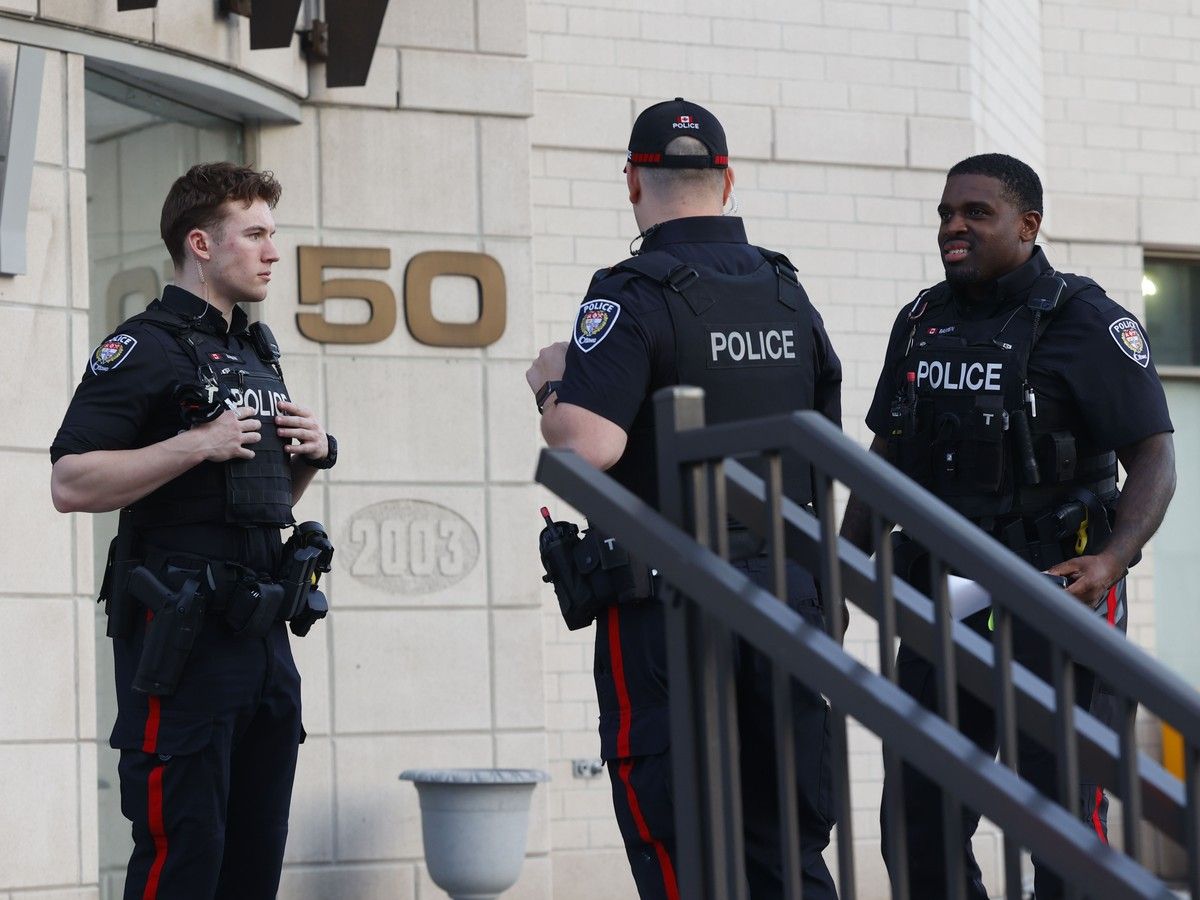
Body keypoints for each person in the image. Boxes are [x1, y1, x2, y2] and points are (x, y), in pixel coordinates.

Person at [526, 98, 842, 899]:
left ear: (634, 183)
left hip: (674, 607)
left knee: (682, 846)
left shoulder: (628, 293)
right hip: (791, 594)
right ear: (727, 181)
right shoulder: (786, 292)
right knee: (789, 846)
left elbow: (584, 447)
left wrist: (552, 383)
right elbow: (825, 447)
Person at [839, 153, 1176, 899]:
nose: (952, 226)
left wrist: (1114, 558)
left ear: (1028, 225)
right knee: (917, 818)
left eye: (975, 213)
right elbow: (886, 455)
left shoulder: (1087, 320)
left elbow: (1154, 456)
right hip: (943, 597)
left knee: (1056, 820)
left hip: (1057, 594)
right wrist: (840, 566)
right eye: (945, 213)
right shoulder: (921, 320)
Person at [50, 163, 337, 900]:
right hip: (181, 647)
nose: (273, 252)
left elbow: (250, 500)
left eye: (274, 234)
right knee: (185, 857)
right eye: (256, 235)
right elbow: (70, 481)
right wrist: (196, 444)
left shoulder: (256, 354)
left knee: (252, 865)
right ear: (201, 244)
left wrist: (308, 457)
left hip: (263, 642)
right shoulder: (143, 346)